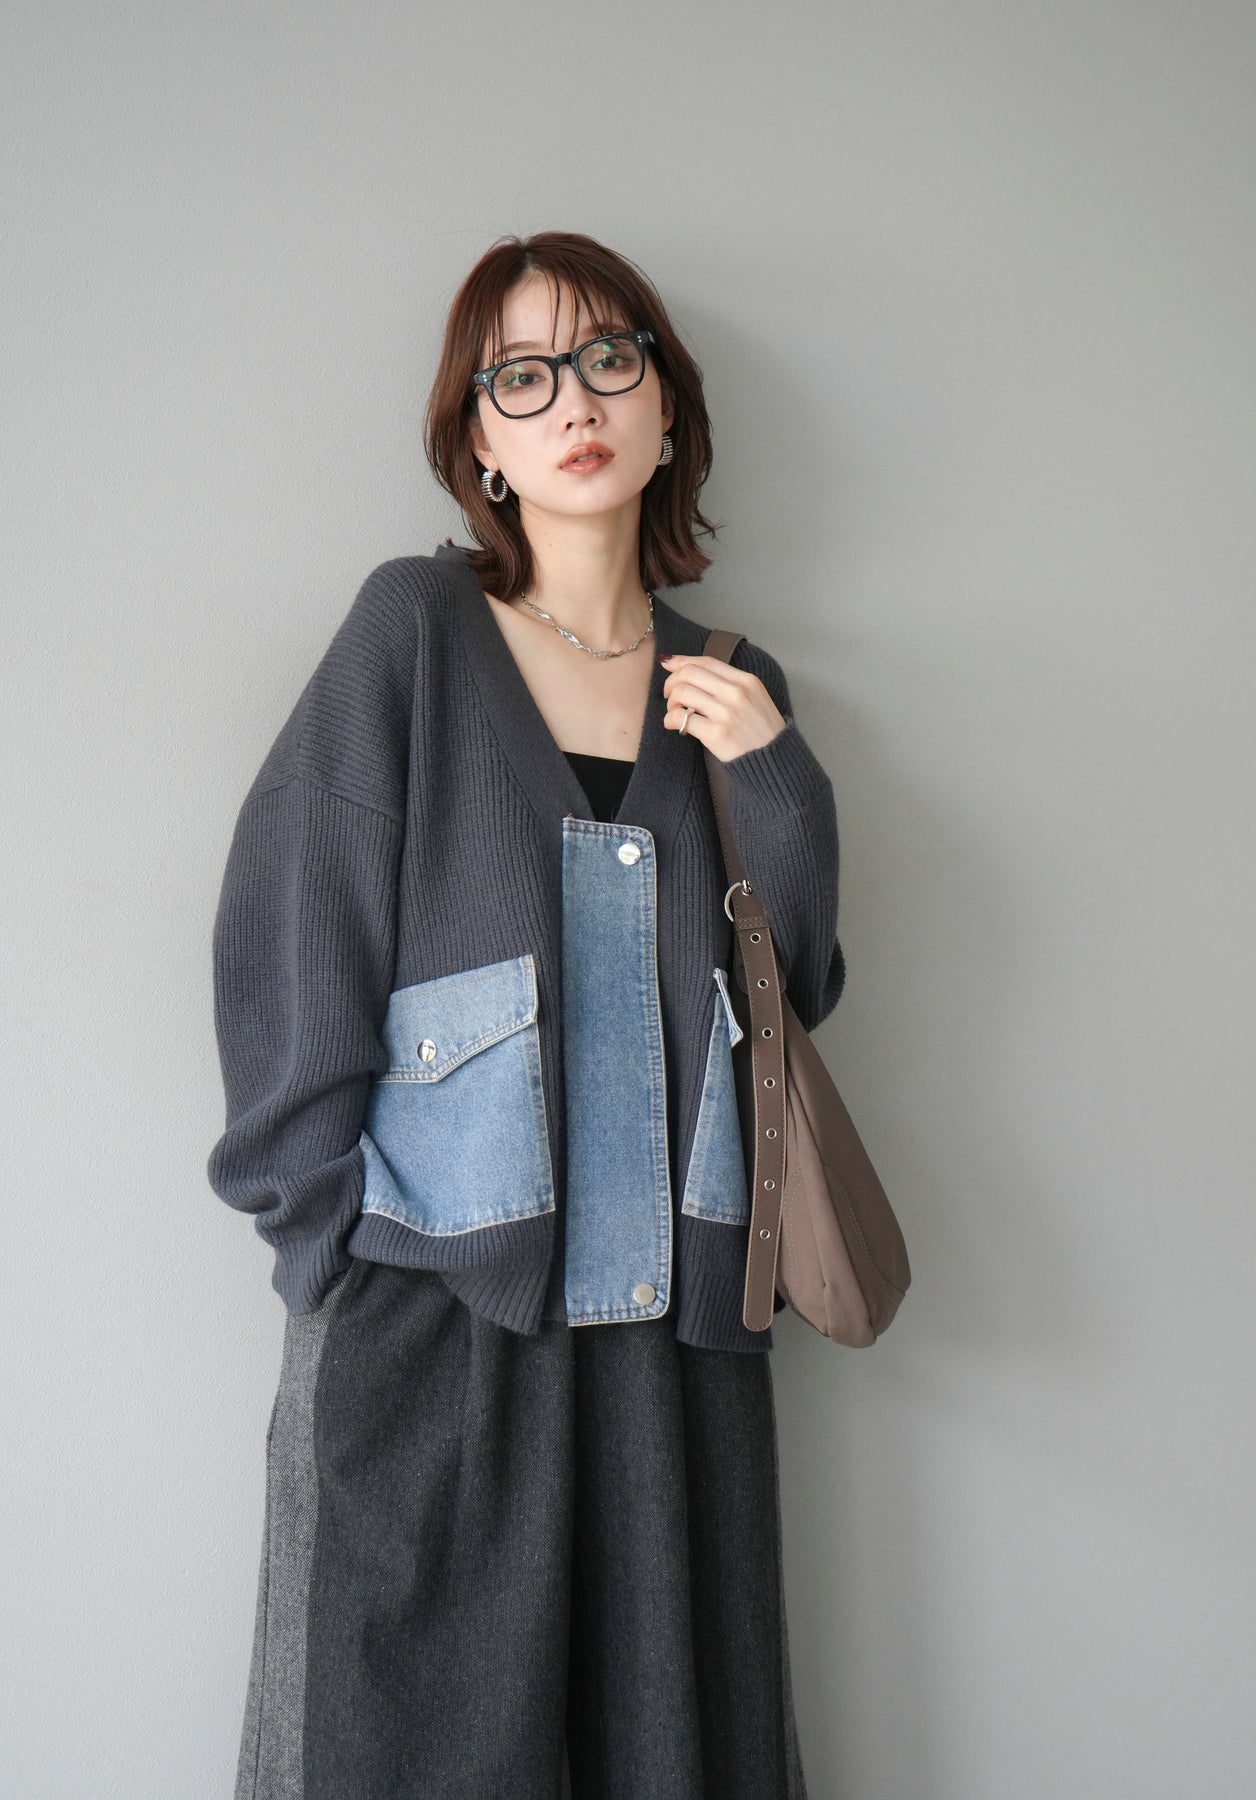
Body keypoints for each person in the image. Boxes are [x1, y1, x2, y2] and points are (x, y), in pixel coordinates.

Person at [208, 229, 846, 1800]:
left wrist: (774, 778)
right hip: (445, 1306)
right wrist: (330, 1236)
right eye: (523, 375)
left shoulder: (729, 681)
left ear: (667, 408)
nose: (575, 400)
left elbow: (794, 998)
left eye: (609, 358)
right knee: (400, 1750)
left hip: (681, 1336)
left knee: (673, 1753)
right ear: (479, 443)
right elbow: (295, 927)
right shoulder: (413, 633)